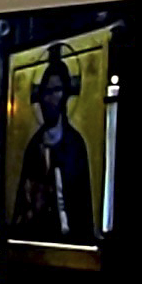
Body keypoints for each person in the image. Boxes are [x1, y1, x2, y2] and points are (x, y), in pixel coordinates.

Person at [11, 45, 97, 244]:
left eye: (57, 90)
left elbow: (82, 202)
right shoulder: (34, 145)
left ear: (66, 94)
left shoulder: (75, 144)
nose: (50, 98)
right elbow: (22, 201)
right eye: (46, 91)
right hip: (36, 236)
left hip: (69, 238)